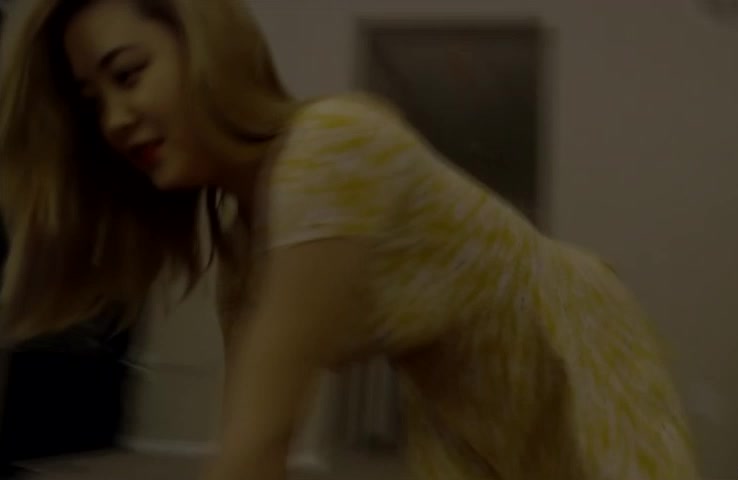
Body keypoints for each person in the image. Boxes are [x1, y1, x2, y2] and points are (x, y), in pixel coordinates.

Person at [0, 0, 700, 479]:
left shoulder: (331, 144)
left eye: (128, 75)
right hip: (453, 397)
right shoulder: (244, 250)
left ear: (208, 49)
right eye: (93, 103)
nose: (115, 120)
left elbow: (256, 446)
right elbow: (252, 445)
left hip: (571, 340)